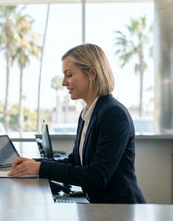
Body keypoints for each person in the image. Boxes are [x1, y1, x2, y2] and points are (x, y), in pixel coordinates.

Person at [8, 43, 146, 204]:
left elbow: (97, 175)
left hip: (120, 210)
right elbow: (75, 161)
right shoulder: (88, 113)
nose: (64, 83)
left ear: (92, 73)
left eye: (69, 75)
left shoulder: (114, 114)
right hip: (100, 208)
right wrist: (34, 163)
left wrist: (41, 168)